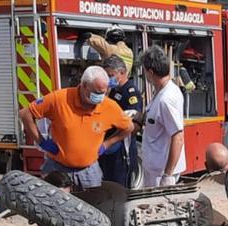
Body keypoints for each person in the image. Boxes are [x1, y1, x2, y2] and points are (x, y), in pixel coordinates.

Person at [19, 66, 134, 190]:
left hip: (89, 172)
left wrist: (107, 144)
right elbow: (26, 114)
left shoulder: (109, 106)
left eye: (103, 92)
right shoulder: (59, 99)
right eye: (96, 92)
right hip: (58, 169)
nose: (100, 97)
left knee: (93, 206)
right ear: (84, 86)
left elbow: (129, 127)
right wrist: (41, 141)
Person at [140, 45, 185, 188]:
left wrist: (168, 175)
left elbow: (177, 136)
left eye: (145, 71)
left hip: (160, 173)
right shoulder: (161, 92)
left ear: (151, 72)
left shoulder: (166, 99)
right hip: (155, 168)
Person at [99, 55, 142, 187]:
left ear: (122, 73)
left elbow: (134, 124)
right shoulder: (112, 91)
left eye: (110, 75)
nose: (108, 78)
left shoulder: (130, 92)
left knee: (119, 187)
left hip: (123, 149)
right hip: (108, 147)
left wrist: (114, 140)